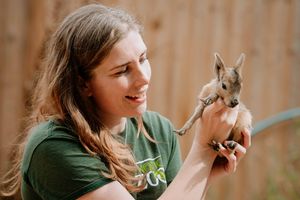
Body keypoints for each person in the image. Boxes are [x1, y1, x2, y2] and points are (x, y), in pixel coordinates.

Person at [0, 3, 251, 200]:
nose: (143, 79)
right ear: (82, 83)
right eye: (122, 70)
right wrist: (202, 150)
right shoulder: (54, 147)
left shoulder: (158, 131)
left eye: (143, 59)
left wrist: (207, 171)